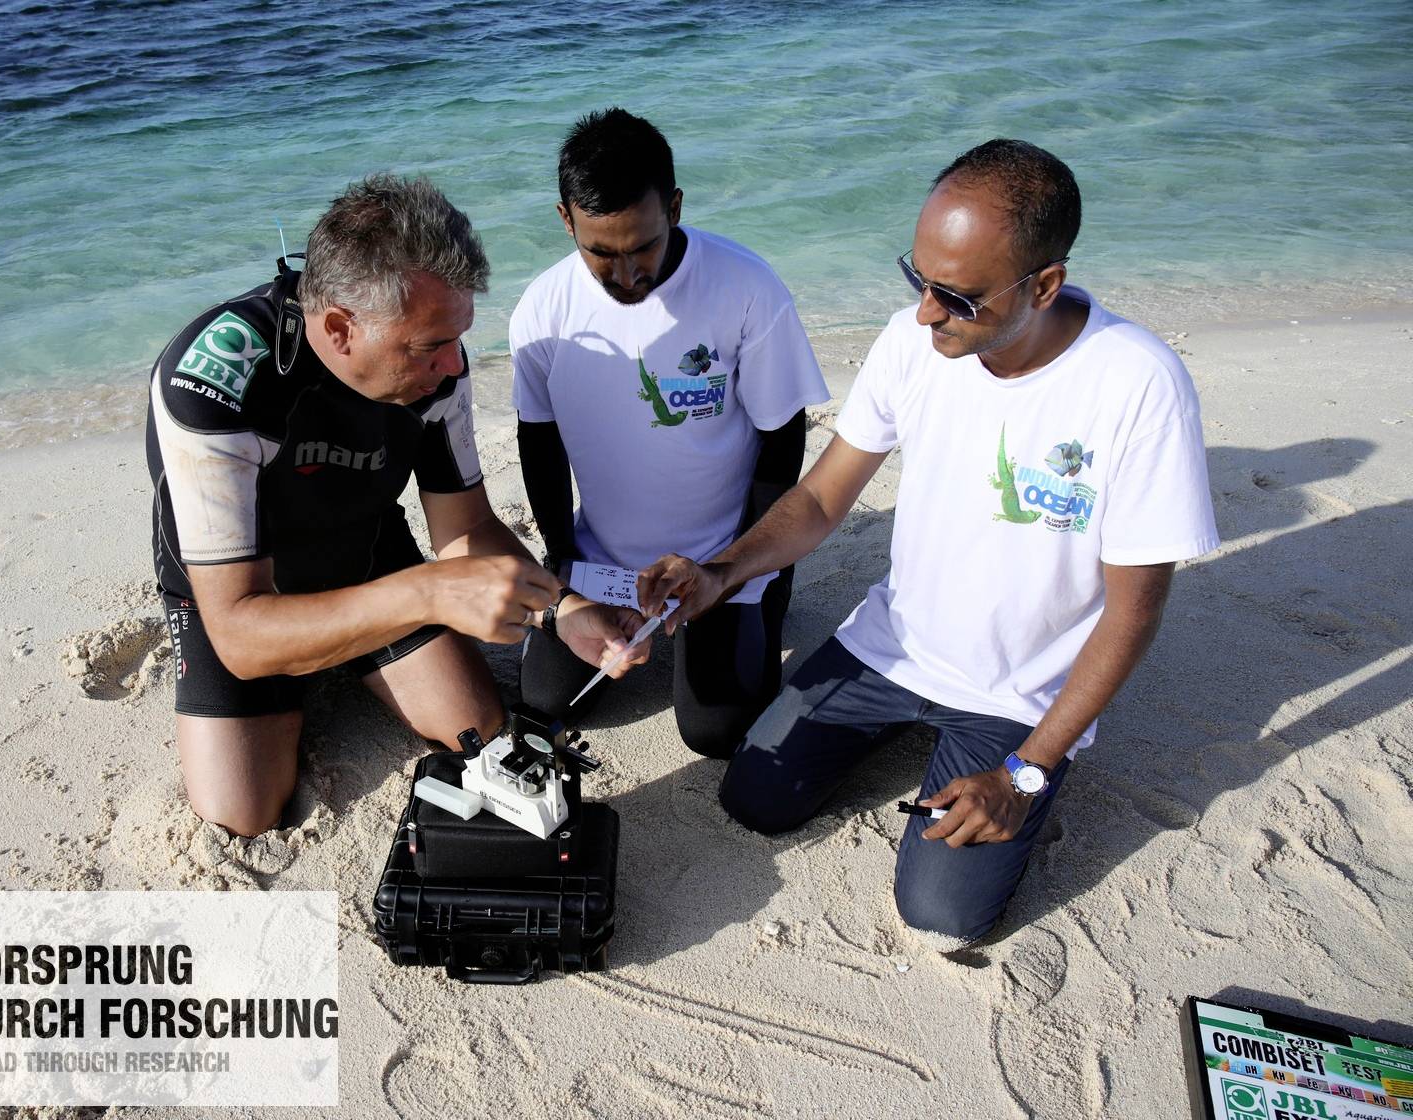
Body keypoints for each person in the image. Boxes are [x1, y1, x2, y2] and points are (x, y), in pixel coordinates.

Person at [639, 139, 1219, 947]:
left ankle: (1010, 767)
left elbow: (1134, 611)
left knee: (942, 913)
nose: (924, 312)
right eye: (916, 278)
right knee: (753, 801)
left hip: (1020, 693)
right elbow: (819, 497)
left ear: (1043, 285)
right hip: (895, 647)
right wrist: (720, 572)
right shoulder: (913, 342)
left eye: (956, 296)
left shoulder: (1139, 384)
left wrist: (1025, 772)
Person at [145, 174, 646, 837]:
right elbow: (239, 635)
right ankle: (315, 665)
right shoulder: (216, 383)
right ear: (338, 328)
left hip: (366, 554)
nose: (451, 365)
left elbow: (465, 526)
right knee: (244, 812)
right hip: (235, 597)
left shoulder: (441, 361)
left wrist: (564, 609)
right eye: (428, 347)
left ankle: (343, 652)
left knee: (482, 732)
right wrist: (431, 594)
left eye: (457, 337)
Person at [510, 108, 829, 757]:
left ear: (675, 208)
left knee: (714, 733)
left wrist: (735, 567)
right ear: (566, 220)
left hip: (720, 551)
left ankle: (770, 591)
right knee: (546, 701)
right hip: (604, 554)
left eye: (642, 248)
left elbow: (782, 439)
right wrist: (564, 567)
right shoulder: (543, 311)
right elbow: (537, 442)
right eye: (601, 253)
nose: (626, 275)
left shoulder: (746, 289)